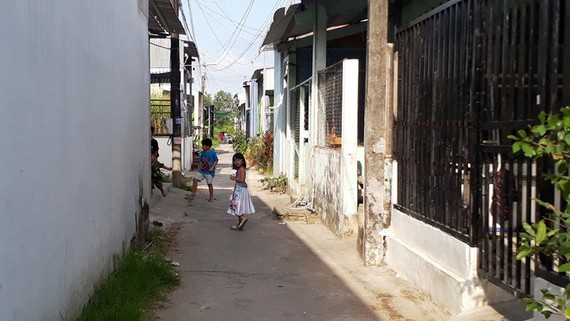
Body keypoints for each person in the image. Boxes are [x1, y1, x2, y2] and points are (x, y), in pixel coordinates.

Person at [227, 153, 255, 230]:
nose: (236, 162)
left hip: (241, 191)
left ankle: (242, 218)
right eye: (235, 160)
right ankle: (239, 224)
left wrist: (233, 178)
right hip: (239, 190)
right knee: (239, 207)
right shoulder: (239, 169)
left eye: (238, 160)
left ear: (242, 161)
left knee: (235, 206)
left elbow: (242, 180)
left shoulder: (242, 169)